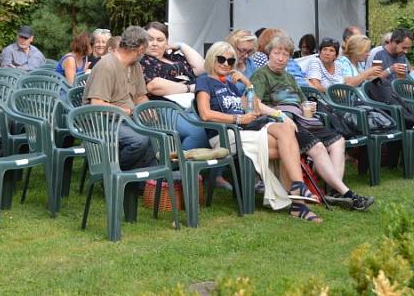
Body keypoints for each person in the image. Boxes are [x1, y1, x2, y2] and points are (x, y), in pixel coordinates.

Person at [195, 41, 322, 222]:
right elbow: (205, 114)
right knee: (289, 148)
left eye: (230, 61)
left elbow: (254, 108)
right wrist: (237, 119)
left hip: (245, 131)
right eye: (221, 59)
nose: (225, 64)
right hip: (225, 135)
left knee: (286, 131)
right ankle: (298, 202)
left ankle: (297, 190)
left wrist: (248, 84)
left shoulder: (232, 85)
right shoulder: (204, 81)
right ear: (211, 59)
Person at [251, 35, 375, 211]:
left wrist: (308, 108)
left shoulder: (289, 77)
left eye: (285, 54)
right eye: (277, 53)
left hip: (303, 119)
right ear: (269, 53)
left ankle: (333, 192)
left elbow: (302, 101)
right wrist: (280, 115)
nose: (281, 58)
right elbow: (256, 104)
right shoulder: (261, 75)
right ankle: (348, 194)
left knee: (338, 140)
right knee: (317, 147)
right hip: (283, 123)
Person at [82, 26, 156, 170]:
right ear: (140, 48)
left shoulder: (135, 66)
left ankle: (144, 182)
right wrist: (127, 111)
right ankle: (110, 173)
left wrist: (150, 113)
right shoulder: (106, 66)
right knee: (139, 141)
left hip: (125, 119)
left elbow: (140, 96)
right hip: (101, 121)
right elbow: (97, 104)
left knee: (156, 133)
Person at [140, 22, 209, 152]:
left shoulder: (175, 57)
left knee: (215, 128)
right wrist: (189, 88)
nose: (154, 43)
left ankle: (211, 172)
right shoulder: (143, 60)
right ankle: (180, 170)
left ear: (167, 42)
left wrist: (182, 46)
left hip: (192, 105)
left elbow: (201, 67)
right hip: (163, 106)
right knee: (197, 133)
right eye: (150, 39)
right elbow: (154, 86)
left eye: (160, 40)